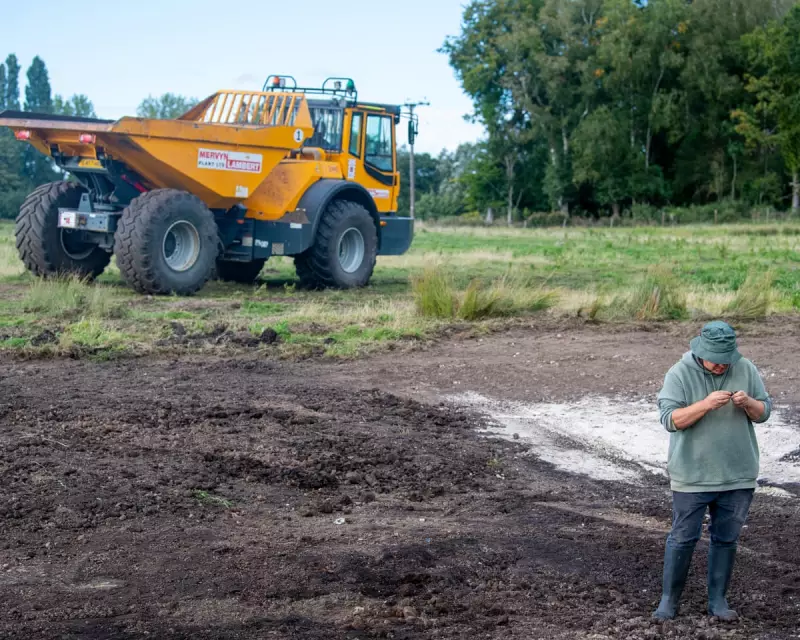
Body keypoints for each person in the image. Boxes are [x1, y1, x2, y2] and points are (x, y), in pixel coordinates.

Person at [654, 320, 772, 621]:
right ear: (701, 352)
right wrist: (705, 404)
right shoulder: (679, 373)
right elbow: (670, 419)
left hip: (738, 474)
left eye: (726, 361)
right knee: (682, 537)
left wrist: (749, 404)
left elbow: (764, 413)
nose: (722, 366)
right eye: (716, 361)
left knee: (727, 538)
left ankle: (718, 601)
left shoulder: (745, 368)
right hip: (692, 475)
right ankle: (669, 602)